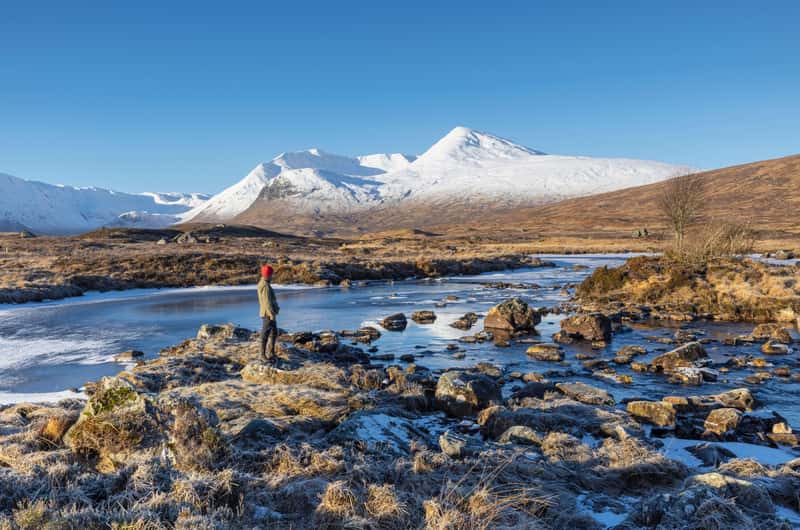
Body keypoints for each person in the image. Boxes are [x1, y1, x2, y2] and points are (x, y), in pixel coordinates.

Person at [257, 264, 280, 362]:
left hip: (269, 313)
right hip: (268, 314)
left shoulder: (264, 283)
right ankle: (262, 355)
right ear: (268, 275)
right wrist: (272, 315)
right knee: (265, 334)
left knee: (274, 332)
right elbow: (267, 302)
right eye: (271, 274)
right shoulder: (265, 285)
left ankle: (271, 352)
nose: (272, 276)